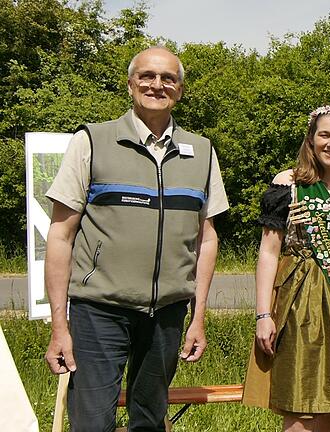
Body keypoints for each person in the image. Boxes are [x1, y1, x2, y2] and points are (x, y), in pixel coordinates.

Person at [43, 46, 229, 431]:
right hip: (98, 313)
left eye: (168, 78)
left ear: (180, 89)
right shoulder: (93, 141)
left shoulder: (203, 152)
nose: (156, 85)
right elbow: (60, 235)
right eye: (147, 75)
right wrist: (59, 326)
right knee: (92, 422)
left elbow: (206, 238)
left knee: (149, 421)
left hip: (167, 314)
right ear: (130, 84)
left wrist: (199, 317)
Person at [244, 105, 330, 431]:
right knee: (297, 404)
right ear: (311, 140)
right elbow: (268, 252)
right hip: (297, 302)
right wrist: (263, 314)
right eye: (324, 135)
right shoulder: (288, 184)